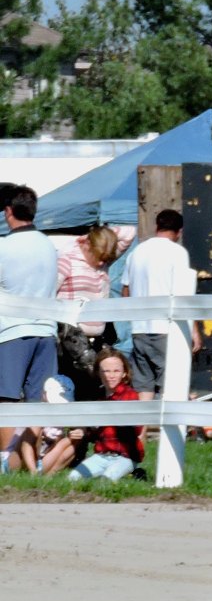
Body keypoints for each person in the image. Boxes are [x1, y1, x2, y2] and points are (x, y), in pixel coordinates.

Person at [0, 186, 57, 471]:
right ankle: (30, 464)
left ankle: (3, 463)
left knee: (7, 399)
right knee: (37, 401)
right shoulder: (48, 244)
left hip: (11, 330)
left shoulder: (4, 247)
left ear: (9, 212)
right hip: (46, 329)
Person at [121, 209, 201, 400]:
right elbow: (184, 293)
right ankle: (169, 428)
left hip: (139, 328)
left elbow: (126, 291)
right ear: (179, 231)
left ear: (157, 226)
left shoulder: (137, 252)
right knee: (173, 382)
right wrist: (195, 331)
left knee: (144, 385)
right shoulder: (178, 253)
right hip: (166, 327)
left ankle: (143, 429)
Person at [67, 348, 144, 482]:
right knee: (72, 479)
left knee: (106, 480)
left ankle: (133, 472)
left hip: (125, 455)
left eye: (116, 371)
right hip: (101, 455)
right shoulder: (98, 398)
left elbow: (138, 429)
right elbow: (94, 432)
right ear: (98, 373)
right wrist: (83, 431)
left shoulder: (130, 395)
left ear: (124, 373)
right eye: (106, 371)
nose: (111, 375)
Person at [14, 375, 84, 475]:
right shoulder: (38, 413)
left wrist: (80, 431)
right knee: (35, 429)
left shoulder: (65, 414)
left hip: (44, 457)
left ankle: (47, 477)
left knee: (72, 440)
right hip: (20, 459)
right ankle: (33, 473)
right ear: (44, 395)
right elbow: (26, 445)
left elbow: (80, 426)